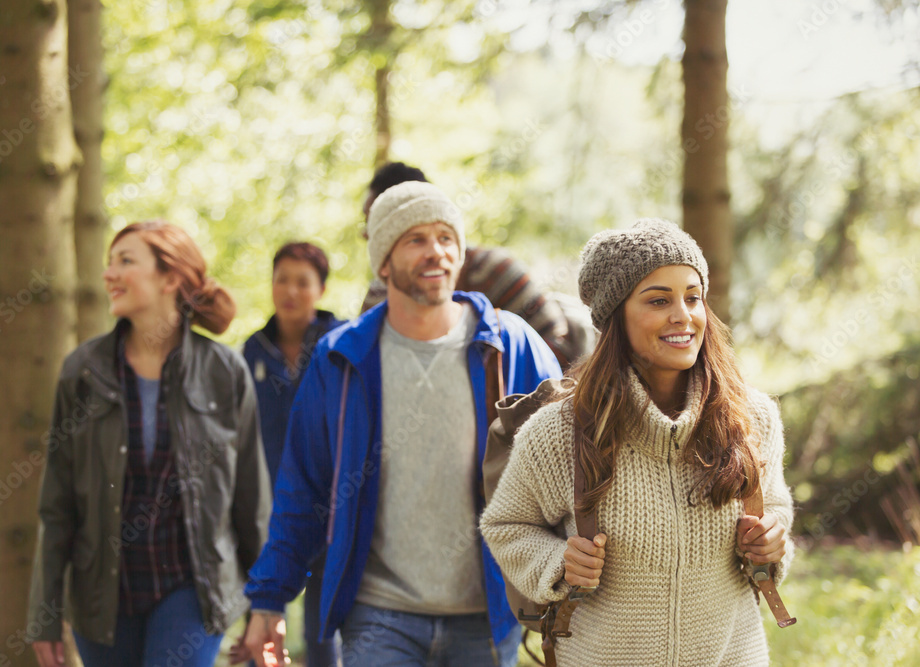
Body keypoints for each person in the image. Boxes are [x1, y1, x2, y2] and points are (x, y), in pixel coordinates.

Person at [229, 182, 563, 667]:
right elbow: (303, 490)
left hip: (487, 614)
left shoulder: (509, 347)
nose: (436, 252)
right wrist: (269, 598)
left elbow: (564, 464)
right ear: (383, 261)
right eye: (417, 240)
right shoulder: (342, 358)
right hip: (378, 616)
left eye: (446, 238)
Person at [480, 218, 795, 666]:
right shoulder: (557, 432)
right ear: (615, 317)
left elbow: (775, 507)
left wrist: (771, 540)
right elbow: (506, 526)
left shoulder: (752, 418)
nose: (683, 315)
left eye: (692, 297)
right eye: (658, 300)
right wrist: (557, 563)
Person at [29, 221, 272, 667]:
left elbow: (251, 502)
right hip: (101, 594)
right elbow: (57, 505)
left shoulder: (225, 372)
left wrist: (267, 605)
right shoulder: (82, 372)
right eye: (108, 262)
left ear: (170, 277)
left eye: (125, 261)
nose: (109, 274)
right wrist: (43, 616)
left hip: (192, 588)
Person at [359, 162, 593, 368]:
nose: (366, 233)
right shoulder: (377, 299)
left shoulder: (495, 272)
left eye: (372, 220)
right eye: (415, 240)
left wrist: (499, 390)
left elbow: (558, 345)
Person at [241, 242, 344, 666]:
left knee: (322, 636)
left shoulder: (341, 344)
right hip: (267, 509)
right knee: (260, 625)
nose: (290, 290)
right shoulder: (252, 350)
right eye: (281, 279)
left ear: (320, 289)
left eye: (303, 282)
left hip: (332, 505)